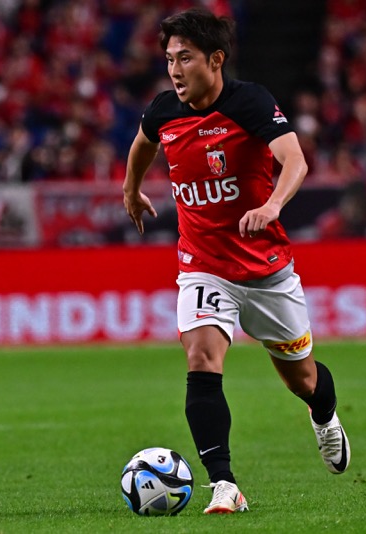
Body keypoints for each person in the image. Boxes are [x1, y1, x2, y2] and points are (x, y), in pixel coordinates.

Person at [122, 8, 350, 514]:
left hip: (266, 270)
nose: (175, 70)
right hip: (203, 266)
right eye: (169, 60)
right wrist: (131, 190)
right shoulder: (165, 111)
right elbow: (142, 144)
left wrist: (271, 205)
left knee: (304, 379)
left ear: (216, 60)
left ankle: (324, 415)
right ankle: (223, 483)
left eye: (185, 58)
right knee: (201, 359)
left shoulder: (250, 103)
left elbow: (296, 160)